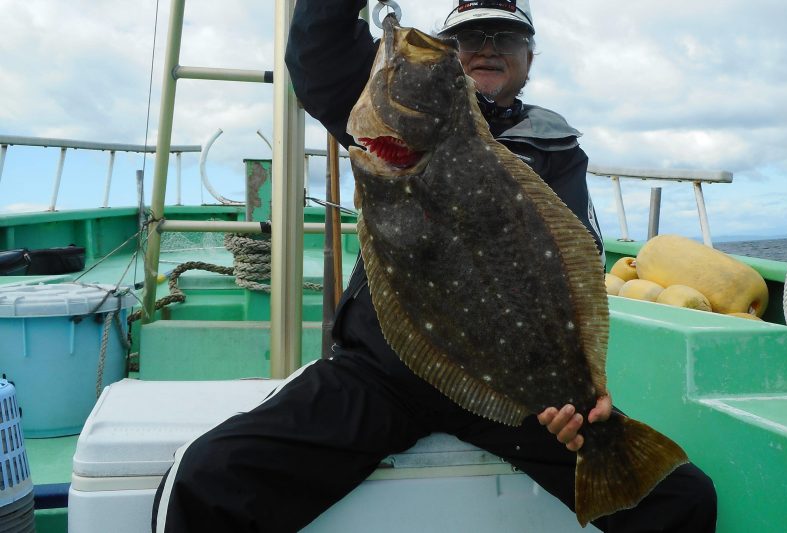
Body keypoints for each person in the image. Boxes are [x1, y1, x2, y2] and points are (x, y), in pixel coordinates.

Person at [151, 1, 717, 531]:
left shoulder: (556, 149)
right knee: (212, 477)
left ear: (530, 58)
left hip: (510, 389)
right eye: (468, 39)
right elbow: (318, 50)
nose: (487, 48)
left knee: (682, 499)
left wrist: (581, 394)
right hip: (382, 375)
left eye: (506, 37)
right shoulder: (389, 122)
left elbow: (573, 274)